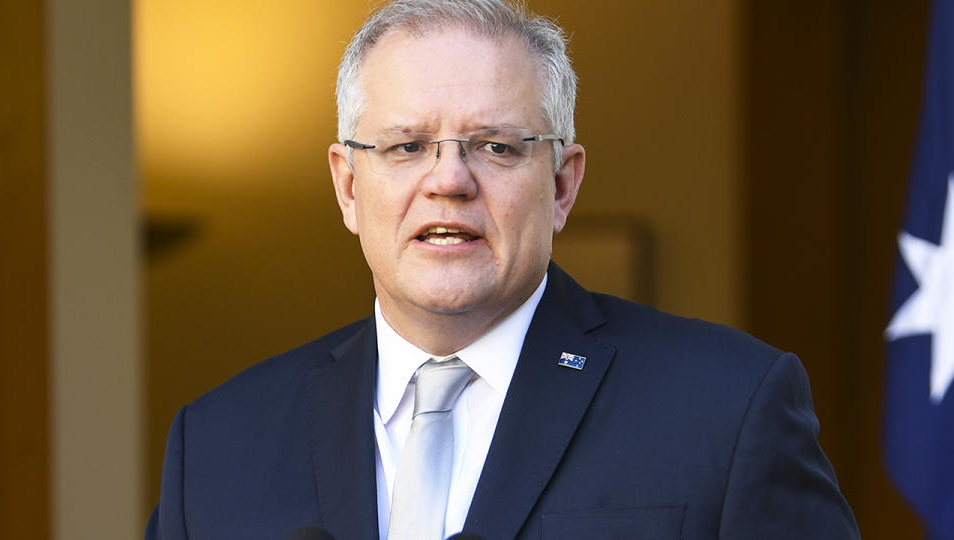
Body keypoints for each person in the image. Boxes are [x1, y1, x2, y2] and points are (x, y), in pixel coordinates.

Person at [146, 1, 861, 538]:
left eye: (495, 147)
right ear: (347, 185)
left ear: (561, 184)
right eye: (405, 146)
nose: (449, 180)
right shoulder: (215, 447)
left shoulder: (728, 407)